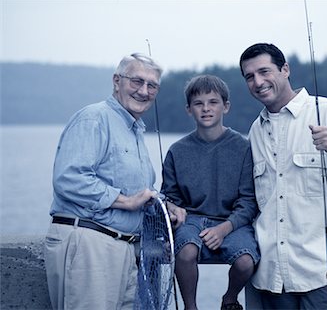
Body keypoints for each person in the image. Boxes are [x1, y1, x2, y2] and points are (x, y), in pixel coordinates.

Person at [239, 43, 327, 309]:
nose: (258, 82)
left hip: (324, 274)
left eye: (264, 71)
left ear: (285, 70)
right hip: (270, 276)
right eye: (249, 76)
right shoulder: (256, 129)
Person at [44, 53, 174, 309]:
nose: (144, 91)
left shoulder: (134, 129)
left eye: (152, 85)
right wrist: (125, 201)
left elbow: (138, 192)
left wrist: (163, 205)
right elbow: (69, 178)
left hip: (125, 249)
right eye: (136, 81)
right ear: (117, 81)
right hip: (90, 245)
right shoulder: (94, 118)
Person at [161, 74, 260, 310]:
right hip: (191, 220)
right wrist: (172, 210)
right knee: (185, 254)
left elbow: (248, 201)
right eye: (198, 103)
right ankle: (190, 307)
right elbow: (169, 197)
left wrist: (224, 228)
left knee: (246, 261)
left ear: (225, 106)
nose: (206, 109)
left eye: (213, 102)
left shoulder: (244, 147)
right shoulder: (177, 151)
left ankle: (229, 298)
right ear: (189, 110)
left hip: (231, 222)